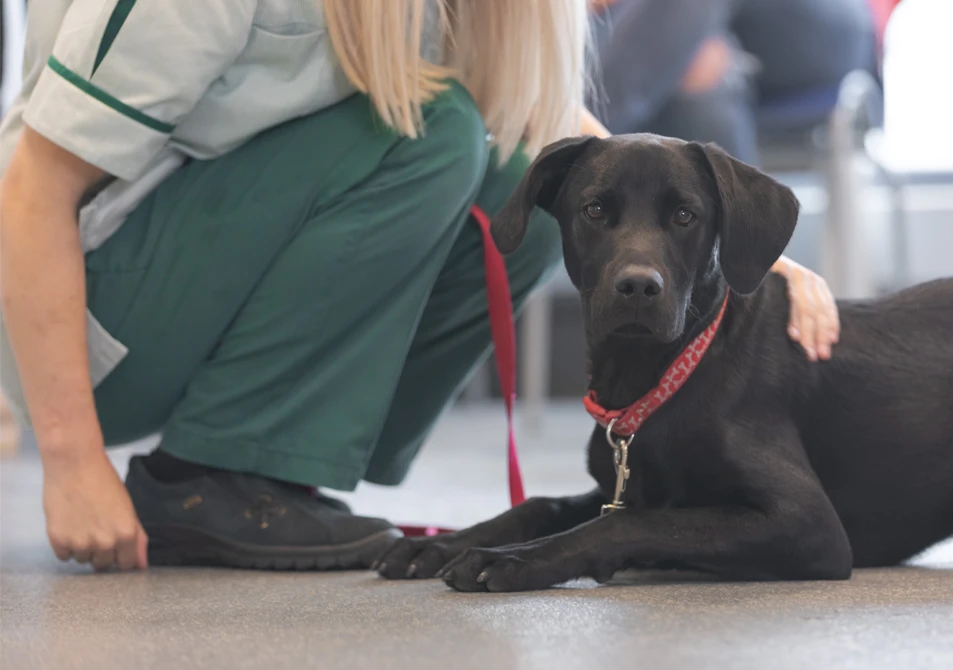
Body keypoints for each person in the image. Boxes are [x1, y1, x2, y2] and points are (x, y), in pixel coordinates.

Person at [0, 0, 839, 573]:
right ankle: (201, 477)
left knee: (519, 179)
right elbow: (30, 190)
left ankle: (259, 470)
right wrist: (71, 463)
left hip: (183, 299)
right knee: (432, 133)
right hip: (85, 324)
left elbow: (547, 130)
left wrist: (748, 248)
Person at [592, 0, 881, 167]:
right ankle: (745, 261)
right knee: (702, 81)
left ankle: (577, 135)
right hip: (718, 27)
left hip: (831, 23)